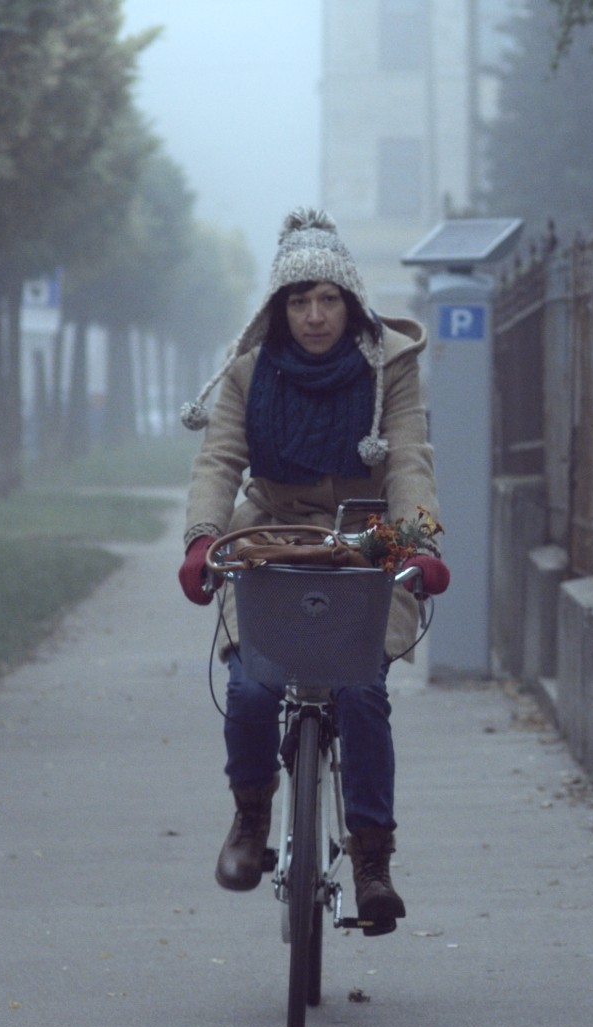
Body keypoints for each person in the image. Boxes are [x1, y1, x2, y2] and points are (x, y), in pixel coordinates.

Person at [176, 208, 443, 937]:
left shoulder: (390, 367)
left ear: (350, 302)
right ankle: (250, 817)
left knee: (361, 692)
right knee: (251, 685)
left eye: (328, 298)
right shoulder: (248, 372)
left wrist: (417, 543)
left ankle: (372, 861)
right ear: (279, 308)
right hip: (270, 535)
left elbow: (409, 459)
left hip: (368, 537)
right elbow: (219, 461)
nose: (315, 315)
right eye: (299, 301)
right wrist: (202, 540)